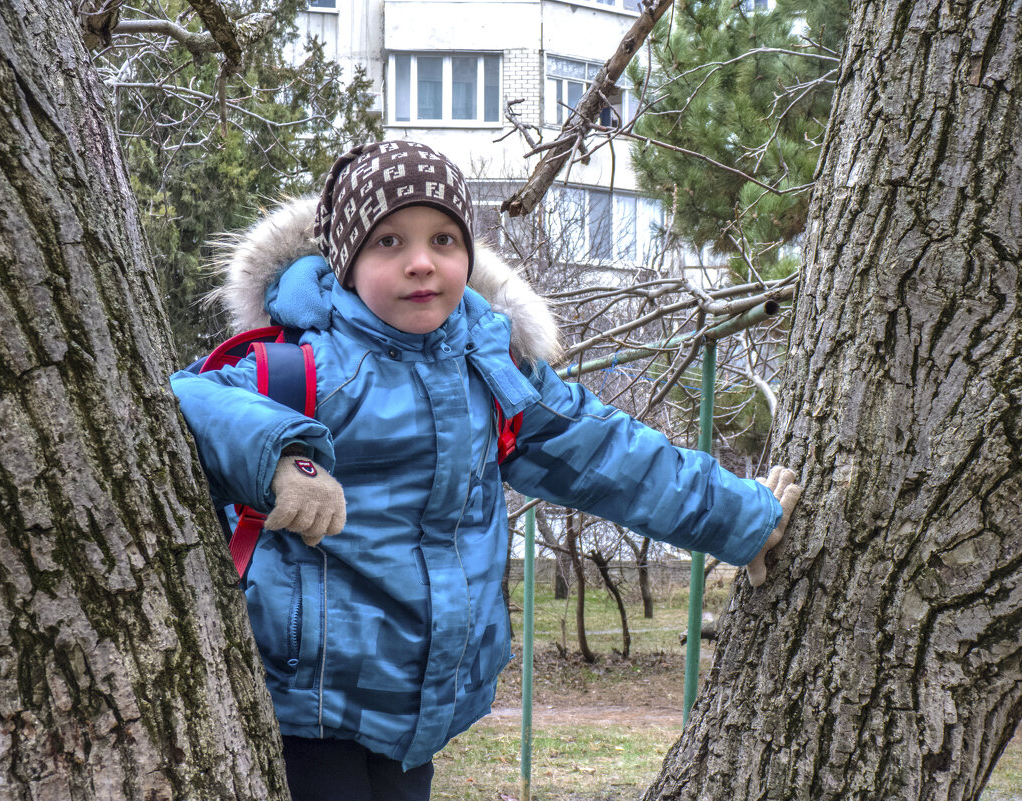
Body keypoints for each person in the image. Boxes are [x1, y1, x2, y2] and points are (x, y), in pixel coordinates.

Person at [169, 140, 801, 801]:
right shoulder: (304, 365)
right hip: (307, 704)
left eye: (444, 238)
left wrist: (742, 517)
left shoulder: (492, 373)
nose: (421, 262)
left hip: (423, 707)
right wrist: (281, 455)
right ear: (347, 263)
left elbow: (613, 456)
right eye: (388, 242)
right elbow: (194, 397)